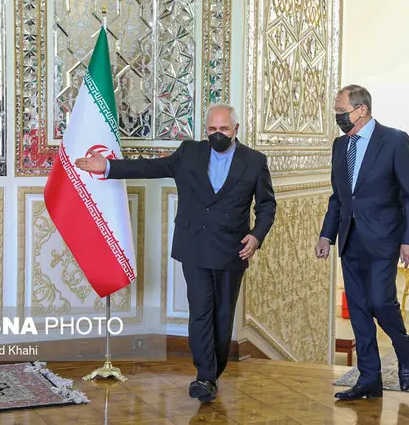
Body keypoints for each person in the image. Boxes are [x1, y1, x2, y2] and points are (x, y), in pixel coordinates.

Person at [74, 103, 276, 402]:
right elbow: (152, 168)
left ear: (235, 129)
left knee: (222, 315)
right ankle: (204, 376)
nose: (217, 134)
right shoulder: (189, 152)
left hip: (232, 250)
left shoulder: (255, 160)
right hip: (194, 246)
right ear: (205, 129)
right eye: (211, 129)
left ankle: (214, 371)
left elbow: (267, 205)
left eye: (223, 129)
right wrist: (108, 167)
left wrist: (257, 236)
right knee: (201, 311)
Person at [315, 84, 409, 400]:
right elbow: (339, 197)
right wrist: (326, 235)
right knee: (359, 310)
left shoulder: (395, 140)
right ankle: (369, 377)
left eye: (341, 111)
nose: (337, 116)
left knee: (380, 301)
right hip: (350, 240)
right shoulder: (340, 146)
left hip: (384, 239)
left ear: (361, 110)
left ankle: (403, 349)